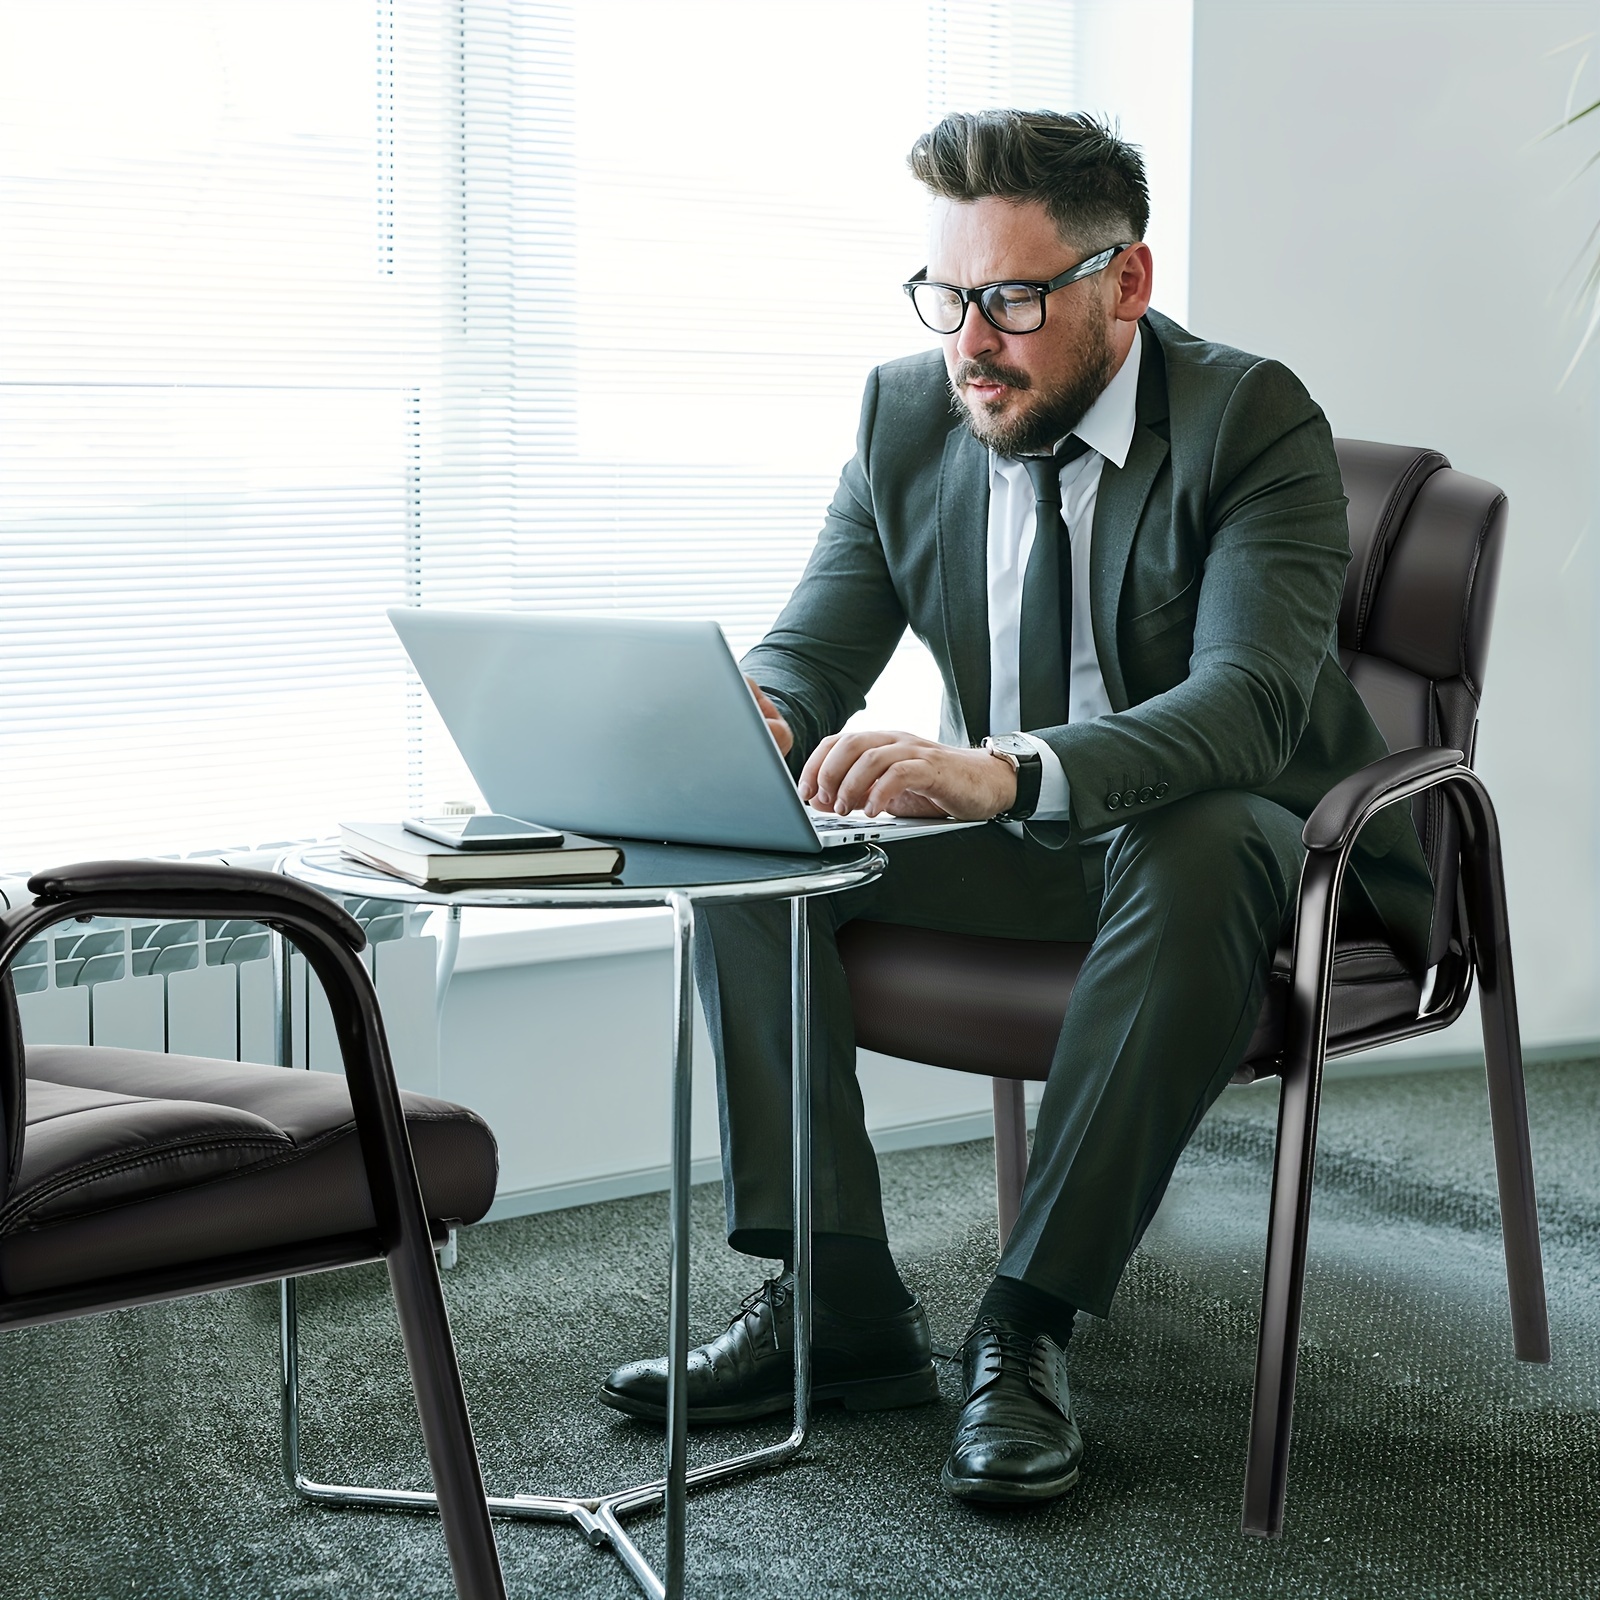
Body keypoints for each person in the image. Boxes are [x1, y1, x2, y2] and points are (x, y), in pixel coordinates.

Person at [600, 109, 1433, 1504]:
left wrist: (1011, 765)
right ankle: (841, 1304)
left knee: (1202, 830)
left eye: (1015, 299)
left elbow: (1250, 708)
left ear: (1127, 284)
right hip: (1030, 846)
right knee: (743, 842)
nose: (971, 341)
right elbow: (815, 646)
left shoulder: (1251, 420)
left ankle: (1026, 1324)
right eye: (948, 295)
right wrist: (760, 718)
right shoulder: (907, 413)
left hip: (1260, 859)